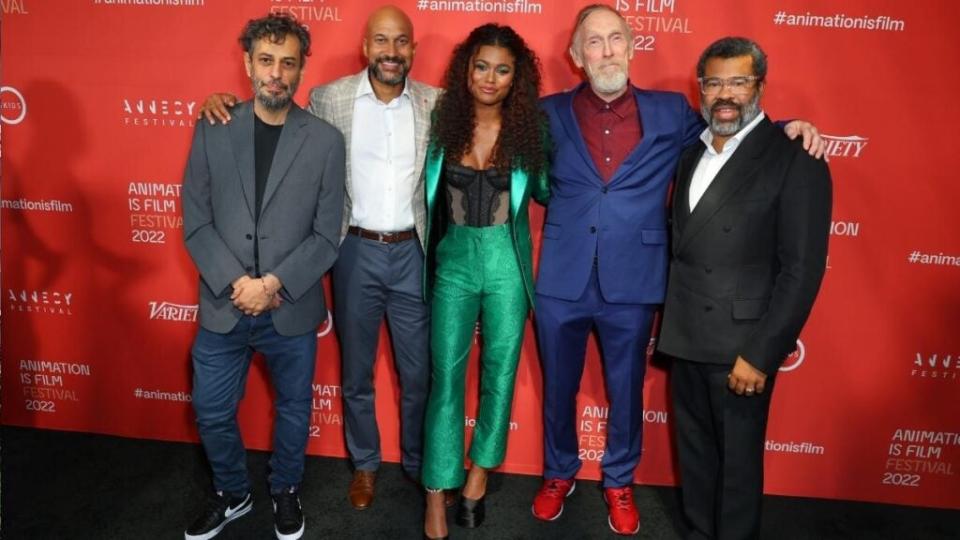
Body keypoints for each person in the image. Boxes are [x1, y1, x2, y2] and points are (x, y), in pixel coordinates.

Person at [531, 4, 825, 536]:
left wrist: (787, 127)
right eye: (592, 43)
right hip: (561, 278)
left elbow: (735, 129)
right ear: (575, 57)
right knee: (558, 388)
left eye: (615, 38)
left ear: (632, 45)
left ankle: (619, 480)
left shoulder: (671, 111)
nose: (606, 51)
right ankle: (558, 472)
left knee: (626, 391)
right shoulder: (545, 114)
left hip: (636, 278)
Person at [199, 5, 441, 511]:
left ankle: (420, 465)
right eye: (381, 41)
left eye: (400, 42)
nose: (390, 52)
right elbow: (269, 121)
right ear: (365, 47)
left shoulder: (437, 104)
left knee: (418, 373)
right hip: (353, 249)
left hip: (413, 252)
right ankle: (366, 466)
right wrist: (217, 102)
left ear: (413, 49)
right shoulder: (329, 100)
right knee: (356, 373)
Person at [657, 36, 831, 540]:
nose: (725, 93)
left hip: (741, 348)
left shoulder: (796, 157)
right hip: (686, 335)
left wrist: (761, 353)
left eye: (738, 81)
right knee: (695, 462)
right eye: (714, 82)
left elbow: (802, 270)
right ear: (702, 89)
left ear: (760, 86)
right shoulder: (692, 152)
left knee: (736, 473)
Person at [182, 13, 344, 540]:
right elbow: (197, 221)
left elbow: (326, 234)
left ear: (300, 71)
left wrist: (272, 284)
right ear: (248, 63)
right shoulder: (213, 125)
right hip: (224, 304)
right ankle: (233, 491)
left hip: (289, 304)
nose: (276, 73)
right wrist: (239, 284)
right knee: (209, 410)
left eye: (288, 63)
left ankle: (285, 489)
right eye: (267, 60)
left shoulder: (324, 141)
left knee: (295, 410)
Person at [419, 23, 549, 540]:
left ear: (516, 77)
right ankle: (435, 492)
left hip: (506, 263)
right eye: (481, 65)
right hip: (452, 259)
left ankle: (476, 478)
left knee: (499, 375)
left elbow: (545, 190)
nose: (489, 78)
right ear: (465, 68)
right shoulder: (438, 119)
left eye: (502, 69)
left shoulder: (532, 129)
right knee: (445, 378)